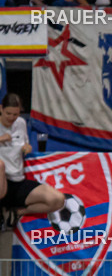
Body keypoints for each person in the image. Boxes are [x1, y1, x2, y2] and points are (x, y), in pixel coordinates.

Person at [0, 94, 66, 227]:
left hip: (17, 180)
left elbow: (24, 144)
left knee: (58, 199)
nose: (11, 118)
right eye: (8, 113)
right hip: (2, 180)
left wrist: (27, 147)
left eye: (15, 114)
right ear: (1, 109)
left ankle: (17, 213)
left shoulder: (21, 123)